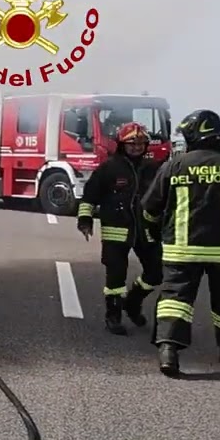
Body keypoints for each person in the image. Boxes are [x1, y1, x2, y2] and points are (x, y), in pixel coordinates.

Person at [140, 109, 220, 375]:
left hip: (181, 249)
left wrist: (153, 233)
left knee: (175, 298)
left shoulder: (175, 165)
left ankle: (168, 352)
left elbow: (150, 208)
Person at [76, 122, 163, 335]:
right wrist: (85, 220)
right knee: (116, 276)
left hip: (146, 231)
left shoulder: (153, 168)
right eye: (131, 143)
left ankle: (132, 302)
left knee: (156, 272)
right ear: (122, 144)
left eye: (140, 143)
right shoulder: (109, 168)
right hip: (116, 231)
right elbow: (89, 196)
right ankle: (113, 316)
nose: (136, 147)